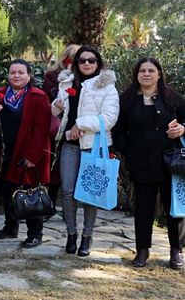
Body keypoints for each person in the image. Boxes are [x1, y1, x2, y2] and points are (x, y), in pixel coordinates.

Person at [112, 58, 185, 269]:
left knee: (174, 207)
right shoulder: (126, 100)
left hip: (171, 161)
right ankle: (142, 250)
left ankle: (176, 251)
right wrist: (127, 150)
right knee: (144, 208)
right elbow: (118, 131)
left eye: (151, 70)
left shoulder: (172, 98)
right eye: (142, 70)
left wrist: (182, 129)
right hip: (141, 161)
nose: (146, 74)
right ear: (136, 75)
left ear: (159, 74)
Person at [52, 46, 119, 257]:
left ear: (98, 63)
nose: (87, 63)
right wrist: (57, 106)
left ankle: (87, 237)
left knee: (90, 194)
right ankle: (71, 235)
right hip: (70, 145)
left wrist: (80, 124)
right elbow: (56, 113)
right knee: (67, 192)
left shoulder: (107, 87)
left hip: (94, 145)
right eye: (82, 60)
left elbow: (109, 119)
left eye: (91, 60)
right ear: (76, 63)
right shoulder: (66, 82)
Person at [0, 59, 51, 248]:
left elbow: (42, 129)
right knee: (7, 191)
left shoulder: (38, 97)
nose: (16, 76)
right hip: (6, 152)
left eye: (21, 72)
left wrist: (33, 156)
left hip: (28, 154)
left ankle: (35, 233)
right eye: (13, 72)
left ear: (29, 75)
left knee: (30, 193)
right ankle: (10, 227)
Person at [42, 44, 80, 210]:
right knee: (54, 167)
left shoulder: (84, 77)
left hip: (77, 126)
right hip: (56, 126)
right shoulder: (52, 75)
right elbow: (50, 95)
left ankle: (68, 208)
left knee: (72, 170)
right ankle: (49, 204)